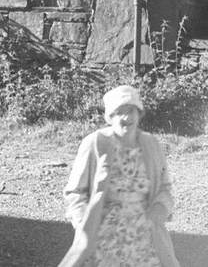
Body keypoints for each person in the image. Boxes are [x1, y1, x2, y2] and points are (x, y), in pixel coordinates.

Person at [59, 84, 180, 267]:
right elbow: (74, 192)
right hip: (103, 238)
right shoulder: (95, 143)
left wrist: (160, 209)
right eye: (119, 111)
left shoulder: (151, 144)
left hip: (144, 236)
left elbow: (165, 187)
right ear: (110, 117)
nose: (126, 117)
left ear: (139, 114)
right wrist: (84, 222)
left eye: (131, 110)